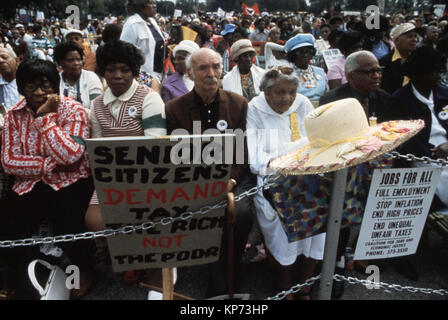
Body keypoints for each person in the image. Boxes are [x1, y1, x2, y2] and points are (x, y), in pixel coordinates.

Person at [0, 59, 95, 299]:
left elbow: (71, 154)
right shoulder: (14, 114)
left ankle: (82, 272)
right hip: (30, 182)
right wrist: (47, 166)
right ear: (22, 88)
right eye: (32, 86)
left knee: (70, 225)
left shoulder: (74, 110)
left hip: (70, 182)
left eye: (46, 86)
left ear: (56, 85)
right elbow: (9, 161)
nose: (40, 93)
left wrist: (44, 120)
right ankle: (21, 274)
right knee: (10, 223)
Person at [165, 48, 255, 298]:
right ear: (191, 73)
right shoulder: (175, 109)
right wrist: (204, 181)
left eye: (216, 66)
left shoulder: (239, 104)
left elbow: (242, 150)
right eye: (203, 68)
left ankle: (232, 271)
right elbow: (177, 154)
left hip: (233, 177)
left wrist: (230, 180)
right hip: (194, 179)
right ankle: (218, 279)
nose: (211, 73)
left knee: (241, 213)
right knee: (207, 211)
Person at [246, 66, 325, 300]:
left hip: (307, 174)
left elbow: (317, 139)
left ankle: (305, 284)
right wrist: (290, 157)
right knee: (284, 222)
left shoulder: (301, 104)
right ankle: (285, 283)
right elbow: (256, 158)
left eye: (292, 91)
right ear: (267, 93)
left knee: (321, 216)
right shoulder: (255, 108)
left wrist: (301, 158)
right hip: (273, 177)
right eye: (280, 92)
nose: (287, 98)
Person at [120, 0, 166, 80]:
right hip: (141, 77)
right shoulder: (132, 25)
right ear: (141, 6)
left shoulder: (152, 22)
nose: (154, 6)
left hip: (160, 74)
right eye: (150, 3)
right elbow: (123, 55)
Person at [53, 41, 103, 109]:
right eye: (70, 60)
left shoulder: (91, 77)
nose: (76, 63)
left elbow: (97, 108)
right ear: (60, 63)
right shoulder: (55, 80)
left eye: (79, 59)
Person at [284, 33, 327, 106]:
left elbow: (326, 93)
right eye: (300, 52)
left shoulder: (320, 71)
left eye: (308, 51)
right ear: (293, 55)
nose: (305, 55)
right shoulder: (287, 74)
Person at [380, 23, 418, 95]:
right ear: (397, 40)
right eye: (409, 36)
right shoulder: (385, 62)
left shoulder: (418, 59)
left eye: (415, 36)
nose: (414, 40)